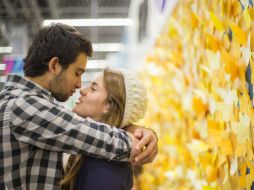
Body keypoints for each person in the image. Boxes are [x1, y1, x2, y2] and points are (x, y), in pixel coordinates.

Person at [0, 23, 158, 190]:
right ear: (54, 65)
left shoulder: (27, 105)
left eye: (93, 87)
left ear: (109, 105)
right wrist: (140, 142)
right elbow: (83, 132)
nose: (79, 86)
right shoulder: (24, 106)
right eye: (77, 73)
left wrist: (140, 131)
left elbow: (73, 125)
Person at [61, 68, 148, 190]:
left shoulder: (104, 167)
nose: (82, 91)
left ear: (108, 106)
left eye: (93, 89)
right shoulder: (96, 151)